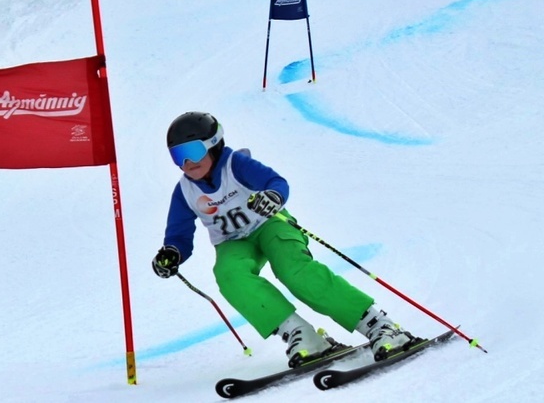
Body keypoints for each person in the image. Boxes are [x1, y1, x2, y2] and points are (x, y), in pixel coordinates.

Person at [151, 111, 415, 368]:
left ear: (214, 145)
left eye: (193, 152)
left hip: (270, 224)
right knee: (229, 275)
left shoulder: (235, 165)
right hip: (234, 243)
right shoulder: (185, 191)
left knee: (293, 271)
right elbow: (179, 234)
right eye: (178, 156)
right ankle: (301, 334)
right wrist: (172, 253)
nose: (187, 163)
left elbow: (275, 182)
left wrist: (273, 196)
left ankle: (379, 326)